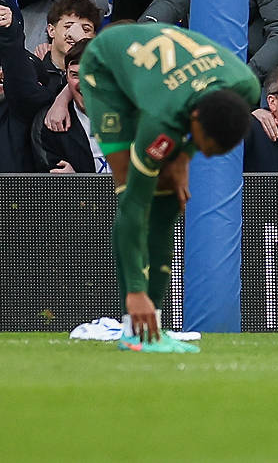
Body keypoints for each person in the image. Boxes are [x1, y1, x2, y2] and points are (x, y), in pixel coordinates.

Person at [79, 19, 258, 352]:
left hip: (163, 81)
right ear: (193, 122)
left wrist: (184, 157)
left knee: (168, 201)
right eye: (204, 146)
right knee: (133, 191)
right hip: (107, 71)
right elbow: (133, 205)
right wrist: (135, 289)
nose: (208, 155)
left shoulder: (247, 87)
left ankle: (152, 329)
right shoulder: (162, 120)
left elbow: (195, 136)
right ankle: (133, 321)